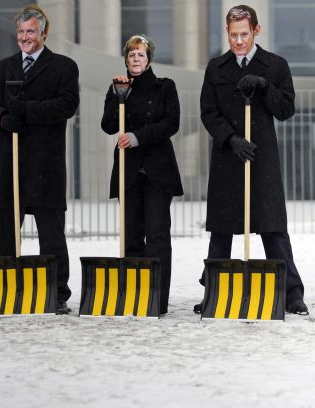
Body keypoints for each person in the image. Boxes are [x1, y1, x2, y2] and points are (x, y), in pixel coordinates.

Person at [194, 4, 308, 315]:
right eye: (233, 35)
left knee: (272, 227)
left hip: (262, 158)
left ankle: (292, 293)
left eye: (244, 34)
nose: (239, 41)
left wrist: (264, 85)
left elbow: (286, 110)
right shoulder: (216, 68)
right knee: (221, 229)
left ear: (256, 30)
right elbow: (208, 112)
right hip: (228, 158)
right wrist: (231, 139)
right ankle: (214, 291)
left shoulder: (275, 64)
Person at [0, 4, 79, 314]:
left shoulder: (63, 67)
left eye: (31, 32)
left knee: (51, 232)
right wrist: (1, 119)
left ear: (43, 33)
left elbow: (66, 105)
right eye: (21, 32)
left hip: (44, 163)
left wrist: (25, 111)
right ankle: (11, 288)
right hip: (10, 161)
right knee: (9, 231)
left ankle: (57, 292)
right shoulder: (3, 68)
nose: (25, 37)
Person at [101, 34, 183, 315]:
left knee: (157, 234)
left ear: (149, 59)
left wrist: (138, 137)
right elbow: (108, 125)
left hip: (158, 172)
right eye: (131, 54)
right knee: (132, 235)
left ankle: (156, 299)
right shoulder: (118, 88)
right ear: (126, 59)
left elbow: (171, 123)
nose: (136, 59)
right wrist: (116, 96)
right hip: (129, 172)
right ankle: (135, 296)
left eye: (141, 54)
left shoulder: (165, 87)